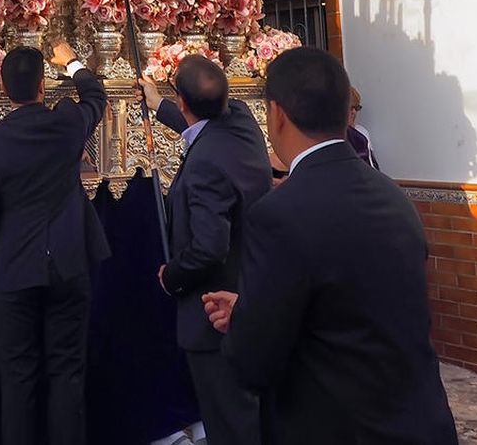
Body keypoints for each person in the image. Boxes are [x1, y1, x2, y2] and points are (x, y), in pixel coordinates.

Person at [203, 47, 457, 444]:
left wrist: (246, 323)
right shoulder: (393, 196)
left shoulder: (278, 214)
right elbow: (357, 305)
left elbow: (255, 363)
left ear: (277, 114)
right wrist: (255, 306)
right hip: (417, 420)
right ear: (345, 111)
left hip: (336, 427)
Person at [0, 42, 109, 445]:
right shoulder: (68, 122)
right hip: (70, 263)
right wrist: (71, 62)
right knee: (67, 372)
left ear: (5, 91)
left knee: (18, 379)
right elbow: (95, 94)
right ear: (42, 85)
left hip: (15, 269)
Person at [142, 56, 272, 445]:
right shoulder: (243, 122)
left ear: (183, 100)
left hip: (212, 313)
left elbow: (208, 248)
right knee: (251, 410)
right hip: (251, 290)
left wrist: (172, 277)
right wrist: (159, 105)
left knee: (229, 420)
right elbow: (206, 124)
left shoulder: (204, 166)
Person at [347, 86, 379, 169]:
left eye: (356, 108)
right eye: (350, 107)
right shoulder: (329, 134)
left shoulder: (361, 133)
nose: (354, 112)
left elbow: (372, 169)